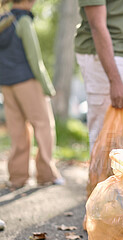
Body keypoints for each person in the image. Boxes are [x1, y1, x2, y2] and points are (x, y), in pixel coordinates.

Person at [0, 0, 64, 189]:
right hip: (27, 81)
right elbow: (34, 58)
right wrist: (47, 87)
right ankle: (46, 174)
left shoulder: (3, 20)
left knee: (17, 129)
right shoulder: (23, 22)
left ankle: (18, 177)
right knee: (43, 124)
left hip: (6, 83)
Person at [74, 0, 123, 152]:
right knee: (106, 135)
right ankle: (101, 177)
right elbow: (97, 25)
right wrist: (115, 81)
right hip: (105, 55)